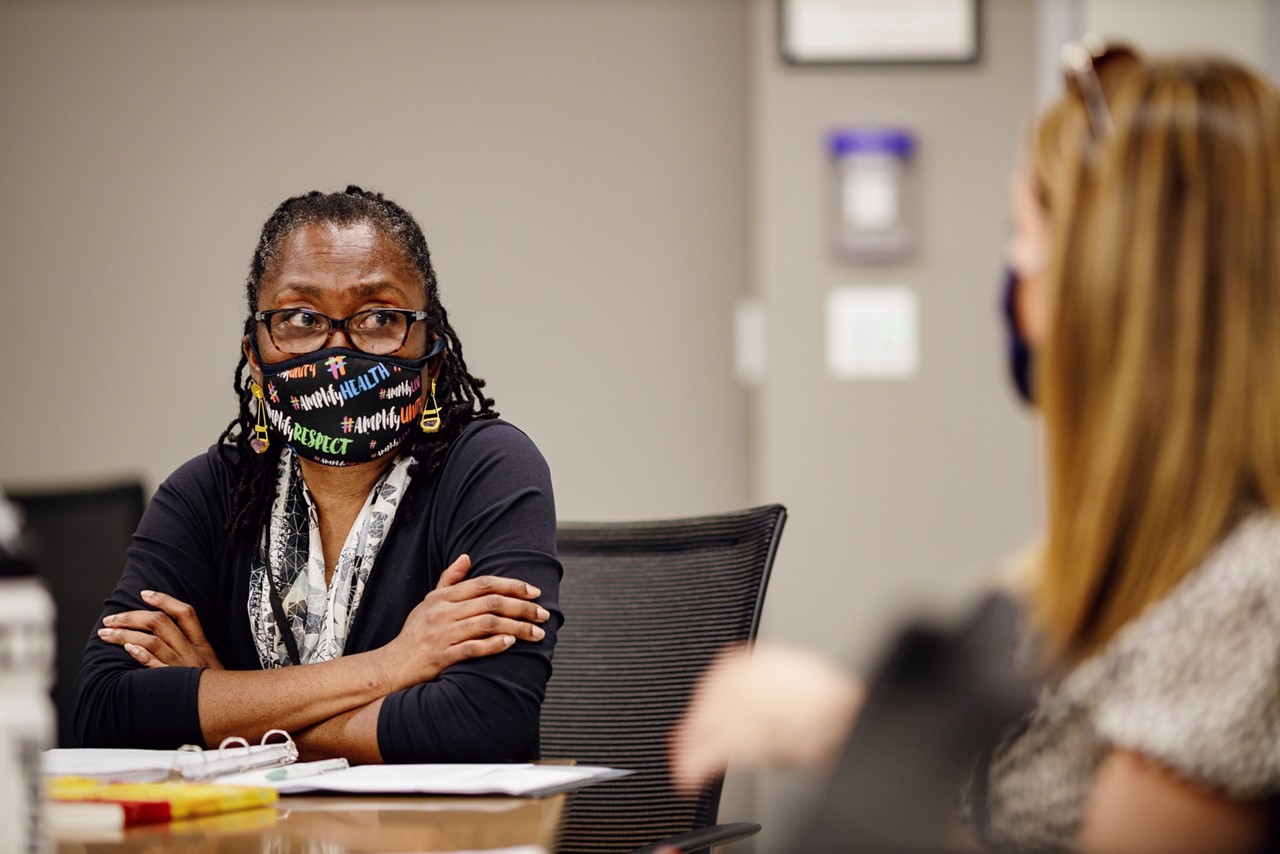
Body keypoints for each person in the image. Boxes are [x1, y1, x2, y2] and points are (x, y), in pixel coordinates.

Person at [673, 41, 1280, 852]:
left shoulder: (1246, 602)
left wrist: (843, 729)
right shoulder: (1133, 581)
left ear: (1111, 287)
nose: (1013, 287)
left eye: (1022, 238)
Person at [76, 187, 562, 764]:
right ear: (254, 356)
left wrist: (223, 711)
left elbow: (481, 724)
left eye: (379, 316)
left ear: (431, 353)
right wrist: (389, 666)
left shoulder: (489, 469)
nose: (336, 349)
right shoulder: (205, 493)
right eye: (301, 318)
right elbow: (105, 712)